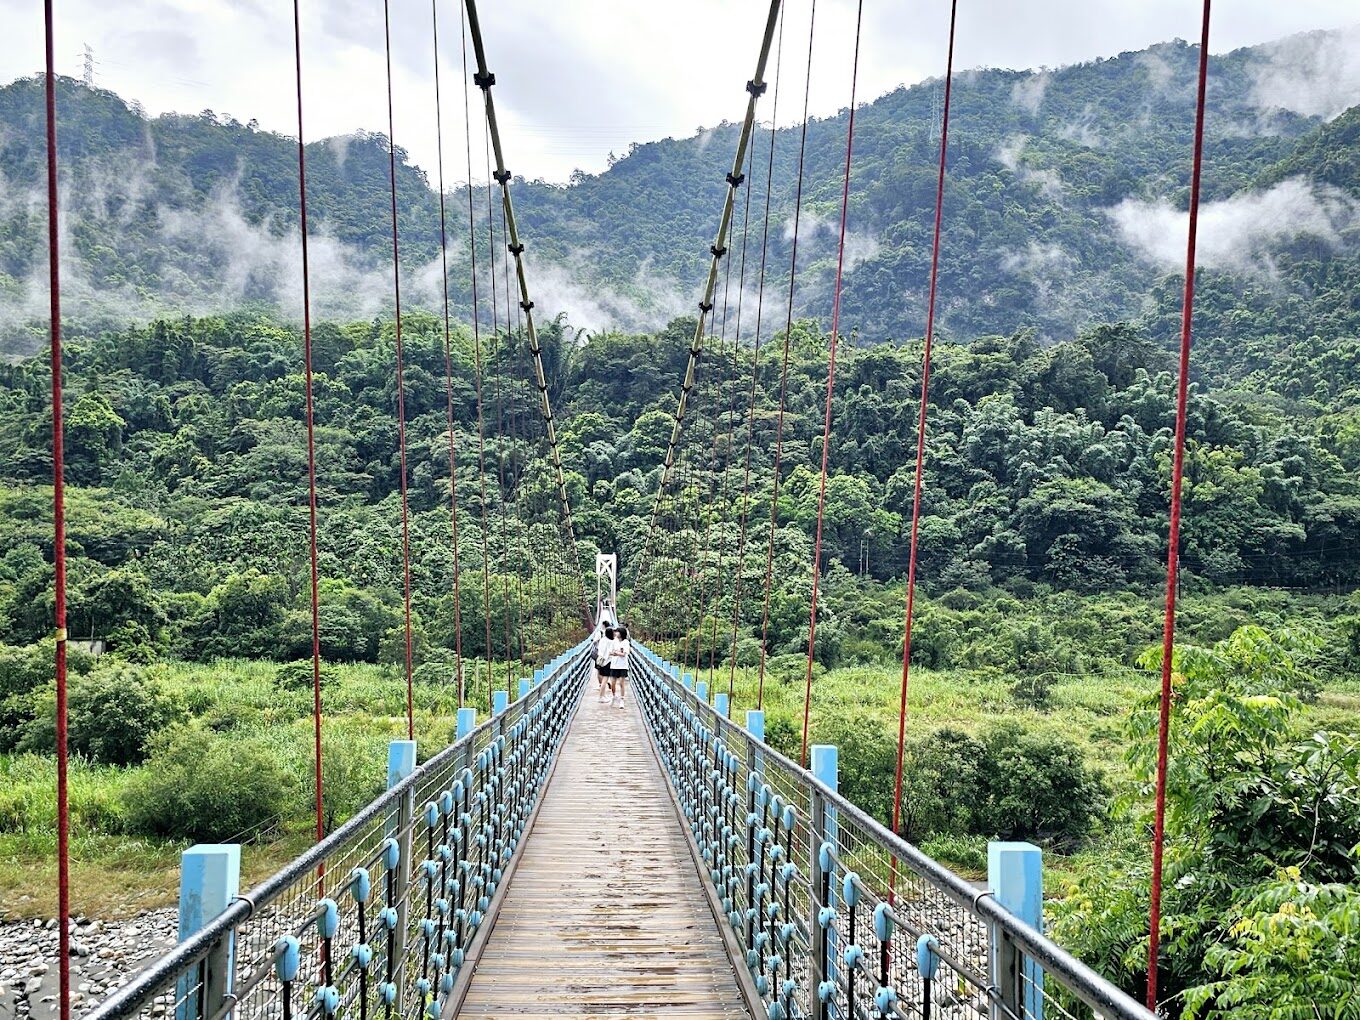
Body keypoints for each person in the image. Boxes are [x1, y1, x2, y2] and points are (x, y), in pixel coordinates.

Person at [607, 625, 631, 708]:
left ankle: (622, 699)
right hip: (614, 665)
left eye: (617, 631)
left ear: (621, 633)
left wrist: (616, 653)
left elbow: (624, 654)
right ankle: (613, 695)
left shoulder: (626, 642)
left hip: (623, 666)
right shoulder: (614, 641)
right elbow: (610, 652)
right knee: (613, 684)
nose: (616, 633)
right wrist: (617, 653)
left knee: (621, 683)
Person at [595, 624, 615, 704]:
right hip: (607, 662)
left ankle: (603, 695)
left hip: (601, 660)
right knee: (605, 680)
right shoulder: (611, 642)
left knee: (603, 678)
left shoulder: (603, 639)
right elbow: (610, 652)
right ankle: (601, 697)